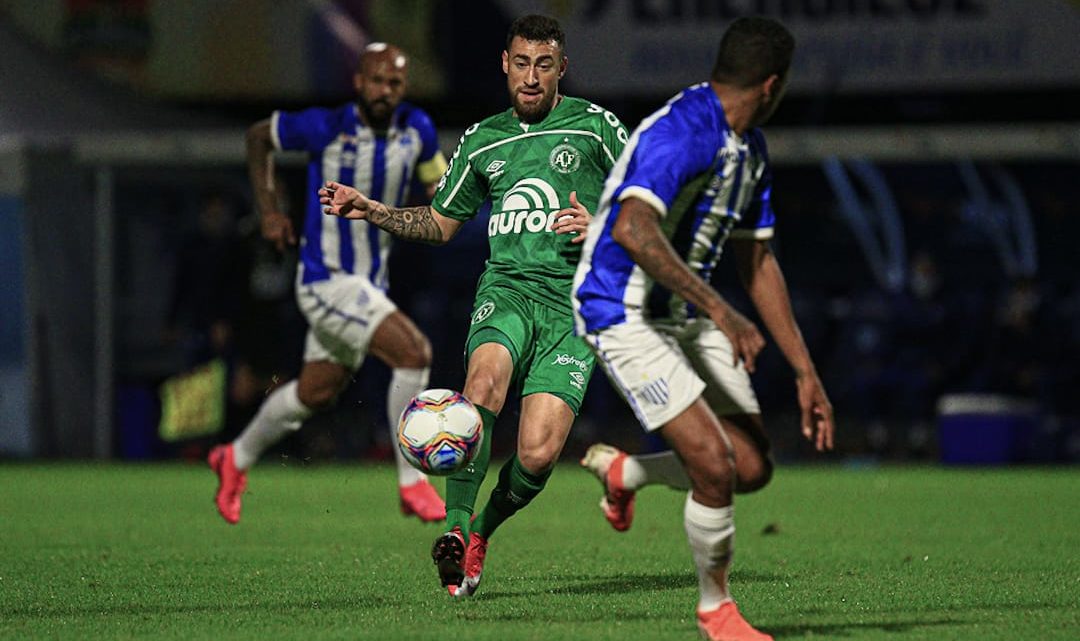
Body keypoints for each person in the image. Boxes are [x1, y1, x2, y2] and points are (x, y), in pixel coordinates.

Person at [319, 14, 628, 598]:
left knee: (537, 456)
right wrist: (374, 208)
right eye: (521, 63)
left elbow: (647, 198)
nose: (531, 77)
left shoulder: (595, 127)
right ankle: (455, 535)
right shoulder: (485, 139)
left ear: (561, 68)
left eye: (543, 65)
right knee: (482, 387)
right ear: (505, 65)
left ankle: (483, 529)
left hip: (572, 307)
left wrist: (602, 224)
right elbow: (440, 223)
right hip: (507, 290)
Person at [572, 17, 834, 641]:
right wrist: (721, 309)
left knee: (750, 465)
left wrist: (805, 370)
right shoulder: (683, 131)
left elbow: (758, 260)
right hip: (621, 309)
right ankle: (716, 611)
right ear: (773, 85)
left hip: (683, 313)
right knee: (715, 467)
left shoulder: (751, 150)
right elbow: (631, 230)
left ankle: (626, 474)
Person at [208, 42, 449, 526]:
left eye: (395, 83)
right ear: (359, 82)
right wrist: (270, 211)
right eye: (377, 80)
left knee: (316, 392)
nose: (385, 91)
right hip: (325, 280)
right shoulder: (326, 126)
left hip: (368, 285)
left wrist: (454, 191)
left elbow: (438, 189)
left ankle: (234, 457)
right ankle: (411, 483)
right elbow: (259, 137)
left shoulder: (417, 129)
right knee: (414, 353)